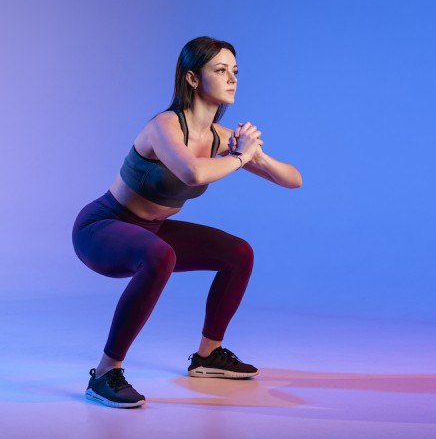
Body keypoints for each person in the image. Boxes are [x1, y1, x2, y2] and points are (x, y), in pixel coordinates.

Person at [71, 37, 302, 408]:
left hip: (153, 231)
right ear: (193, 78)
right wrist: (241, 159)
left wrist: (255, 153)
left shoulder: (223, 139)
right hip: (102, 228)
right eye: (220, 70)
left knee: (238, 253)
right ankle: (104, 373)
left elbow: (294, 179)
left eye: (235, 71)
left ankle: (209, 356)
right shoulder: (164, 126)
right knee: (160, 256)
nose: (232, 79)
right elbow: (192, 172)